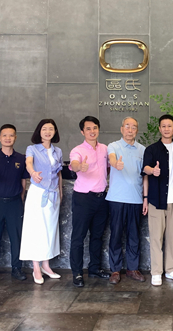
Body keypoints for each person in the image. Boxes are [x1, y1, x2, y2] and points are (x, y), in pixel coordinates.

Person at [142, 114, 173, 286]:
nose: (167, 129)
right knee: (156, 238)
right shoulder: (151, 149)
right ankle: (156, 272)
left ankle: (170, 270)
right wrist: (152, 171)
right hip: (156, 200)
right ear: (159, 129)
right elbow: (145, 168)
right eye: (164, 126)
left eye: (169, 126)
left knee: (172, 237)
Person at [19, 119, 64, 285]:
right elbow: (28, 163)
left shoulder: (57, 151)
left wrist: (60, 192)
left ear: (55, 132)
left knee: (50, 229)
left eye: (51, 129)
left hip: (53, 194)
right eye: (44, 129)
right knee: (36, 229)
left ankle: (46, 265)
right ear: (39, 131)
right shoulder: (32, 149)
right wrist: (32, 173)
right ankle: (36, 267)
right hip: (38, 193)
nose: (47, 132)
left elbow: (58, 173)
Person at [0, 124, 29, 284]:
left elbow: (23, 182)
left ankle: (17, 268)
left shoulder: (21, 159)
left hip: (14, 204)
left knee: (16, 237)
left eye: (11, 135)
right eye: (4, 135)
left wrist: (21, 200)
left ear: (15, 138)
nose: (8, 138)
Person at [69, 116, 111, 288]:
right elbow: (74, 164)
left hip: (101, 198)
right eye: (88, 129)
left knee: (97, 236)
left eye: (95, 128)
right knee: (78, 237)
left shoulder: (105, 149)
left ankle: (95, 268)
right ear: (82, 132)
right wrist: (79, 167)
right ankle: (77, 272)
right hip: (83, 199)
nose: (92, 131)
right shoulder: (77, 150)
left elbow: (109, 167)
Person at [107, 117, 147, 284]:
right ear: (122, 129)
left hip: (136, 199)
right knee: (116, 234)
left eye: (134, 127)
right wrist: (116, 164)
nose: (130, 130)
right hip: (116, 198)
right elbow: (111, 158)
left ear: (137, 130)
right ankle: (115, 270)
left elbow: (145, 175)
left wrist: (145, 198)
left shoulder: (142, 150)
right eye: (127, 126)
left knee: (134, 236)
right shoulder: (113, 146)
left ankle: (133, 268)